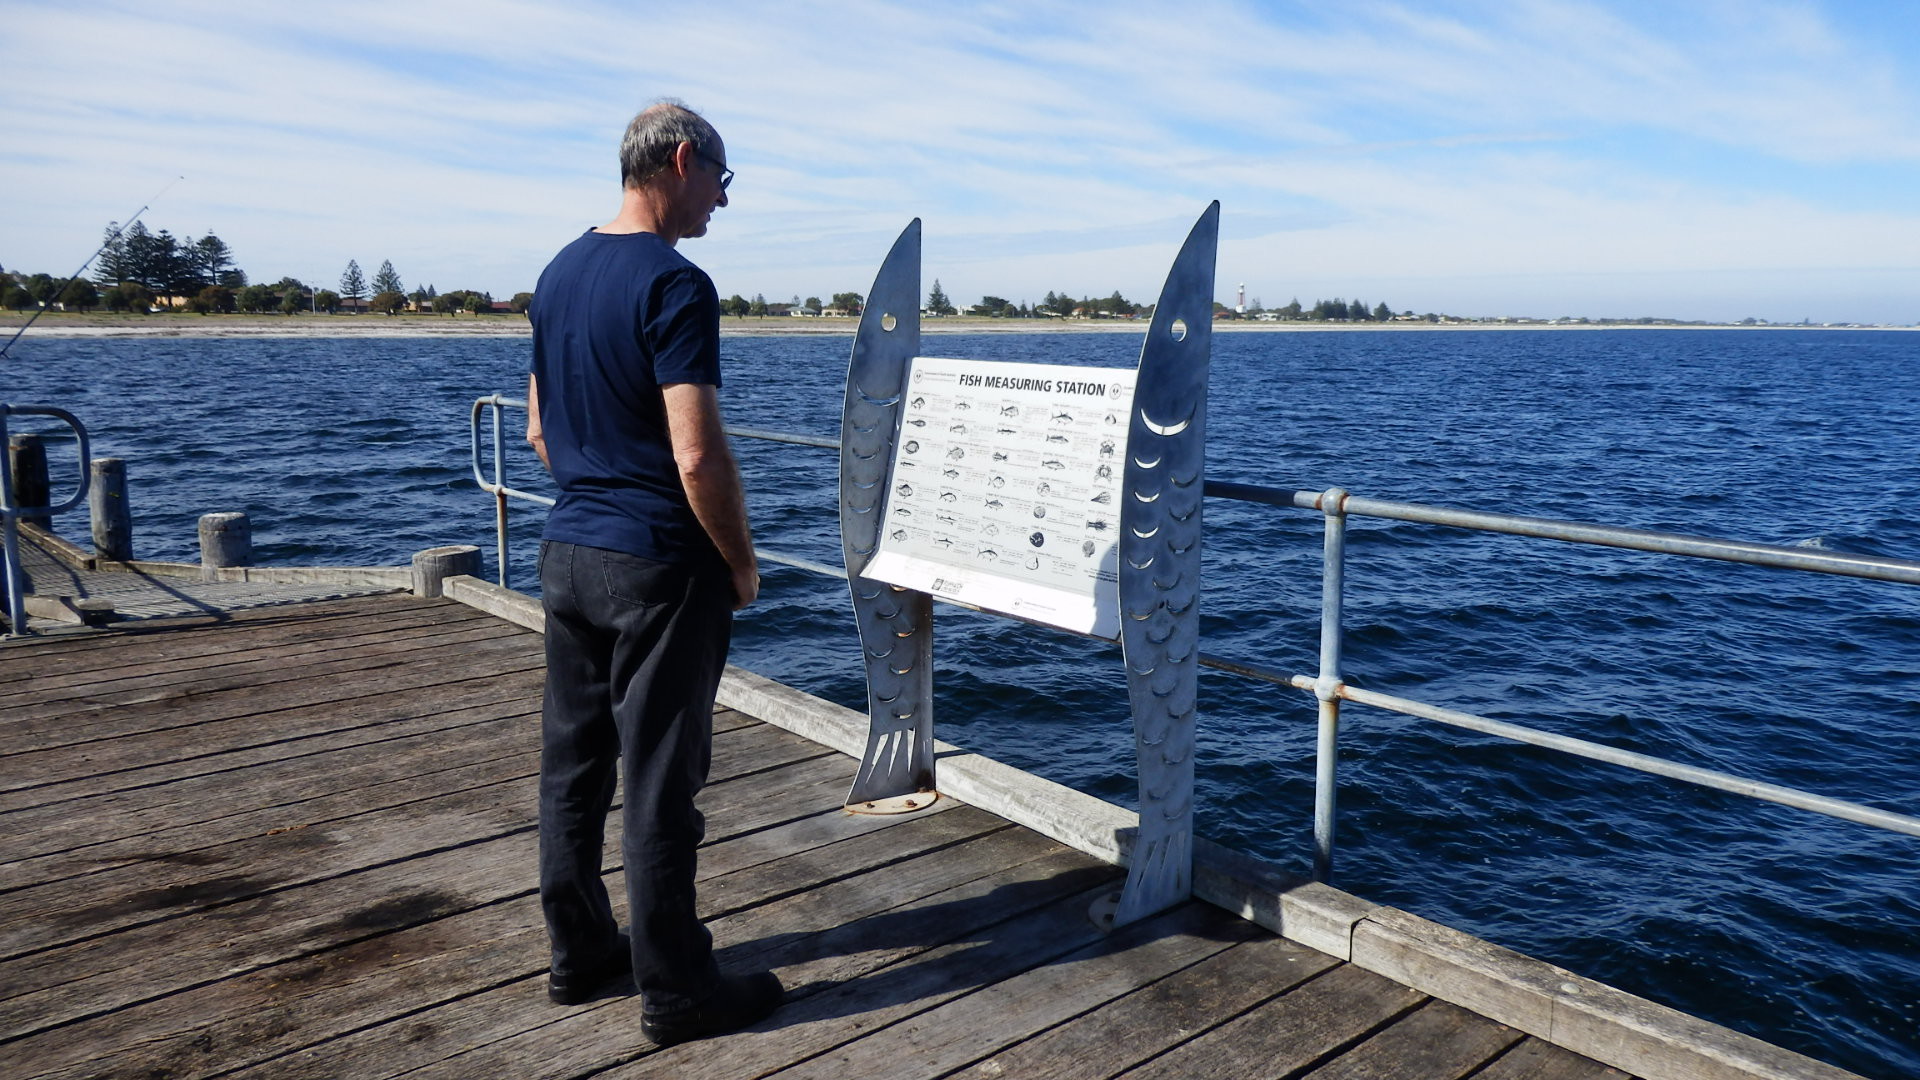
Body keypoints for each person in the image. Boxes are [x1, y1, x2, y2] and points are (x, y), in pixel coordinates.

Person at [524, 100, 779, 1046]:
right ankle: (678, 990)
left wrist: (596, 495)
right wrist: (740, 563)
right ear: (681, 161)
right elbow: (698, 457)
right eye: (721, 180)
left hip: (567, 550)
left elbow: (541, 428)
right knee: (663, 780)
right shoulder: (677, 284)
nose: (721, 200)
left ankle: (580, 951)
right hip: (658, 563)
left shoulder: (557, 272)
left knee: (574, 766)